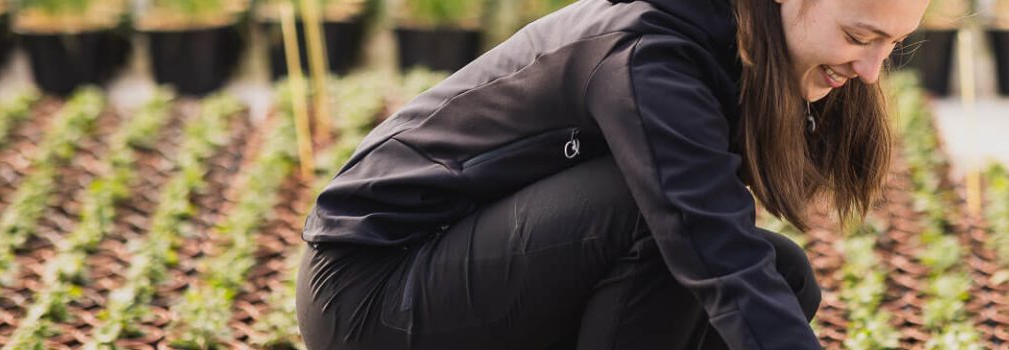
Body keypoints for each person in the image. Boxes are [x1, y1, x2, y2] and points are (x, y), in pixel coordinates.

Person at [295, 0, 928, 348]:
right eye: (859, 37)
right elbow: (713, 250)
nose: (872, 71)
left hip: (456, 279)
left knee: (784, 278)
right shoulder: (650, 54)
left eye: (891, 46)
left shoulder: (732, 40)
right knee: (654, 219)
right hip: (369, 297)